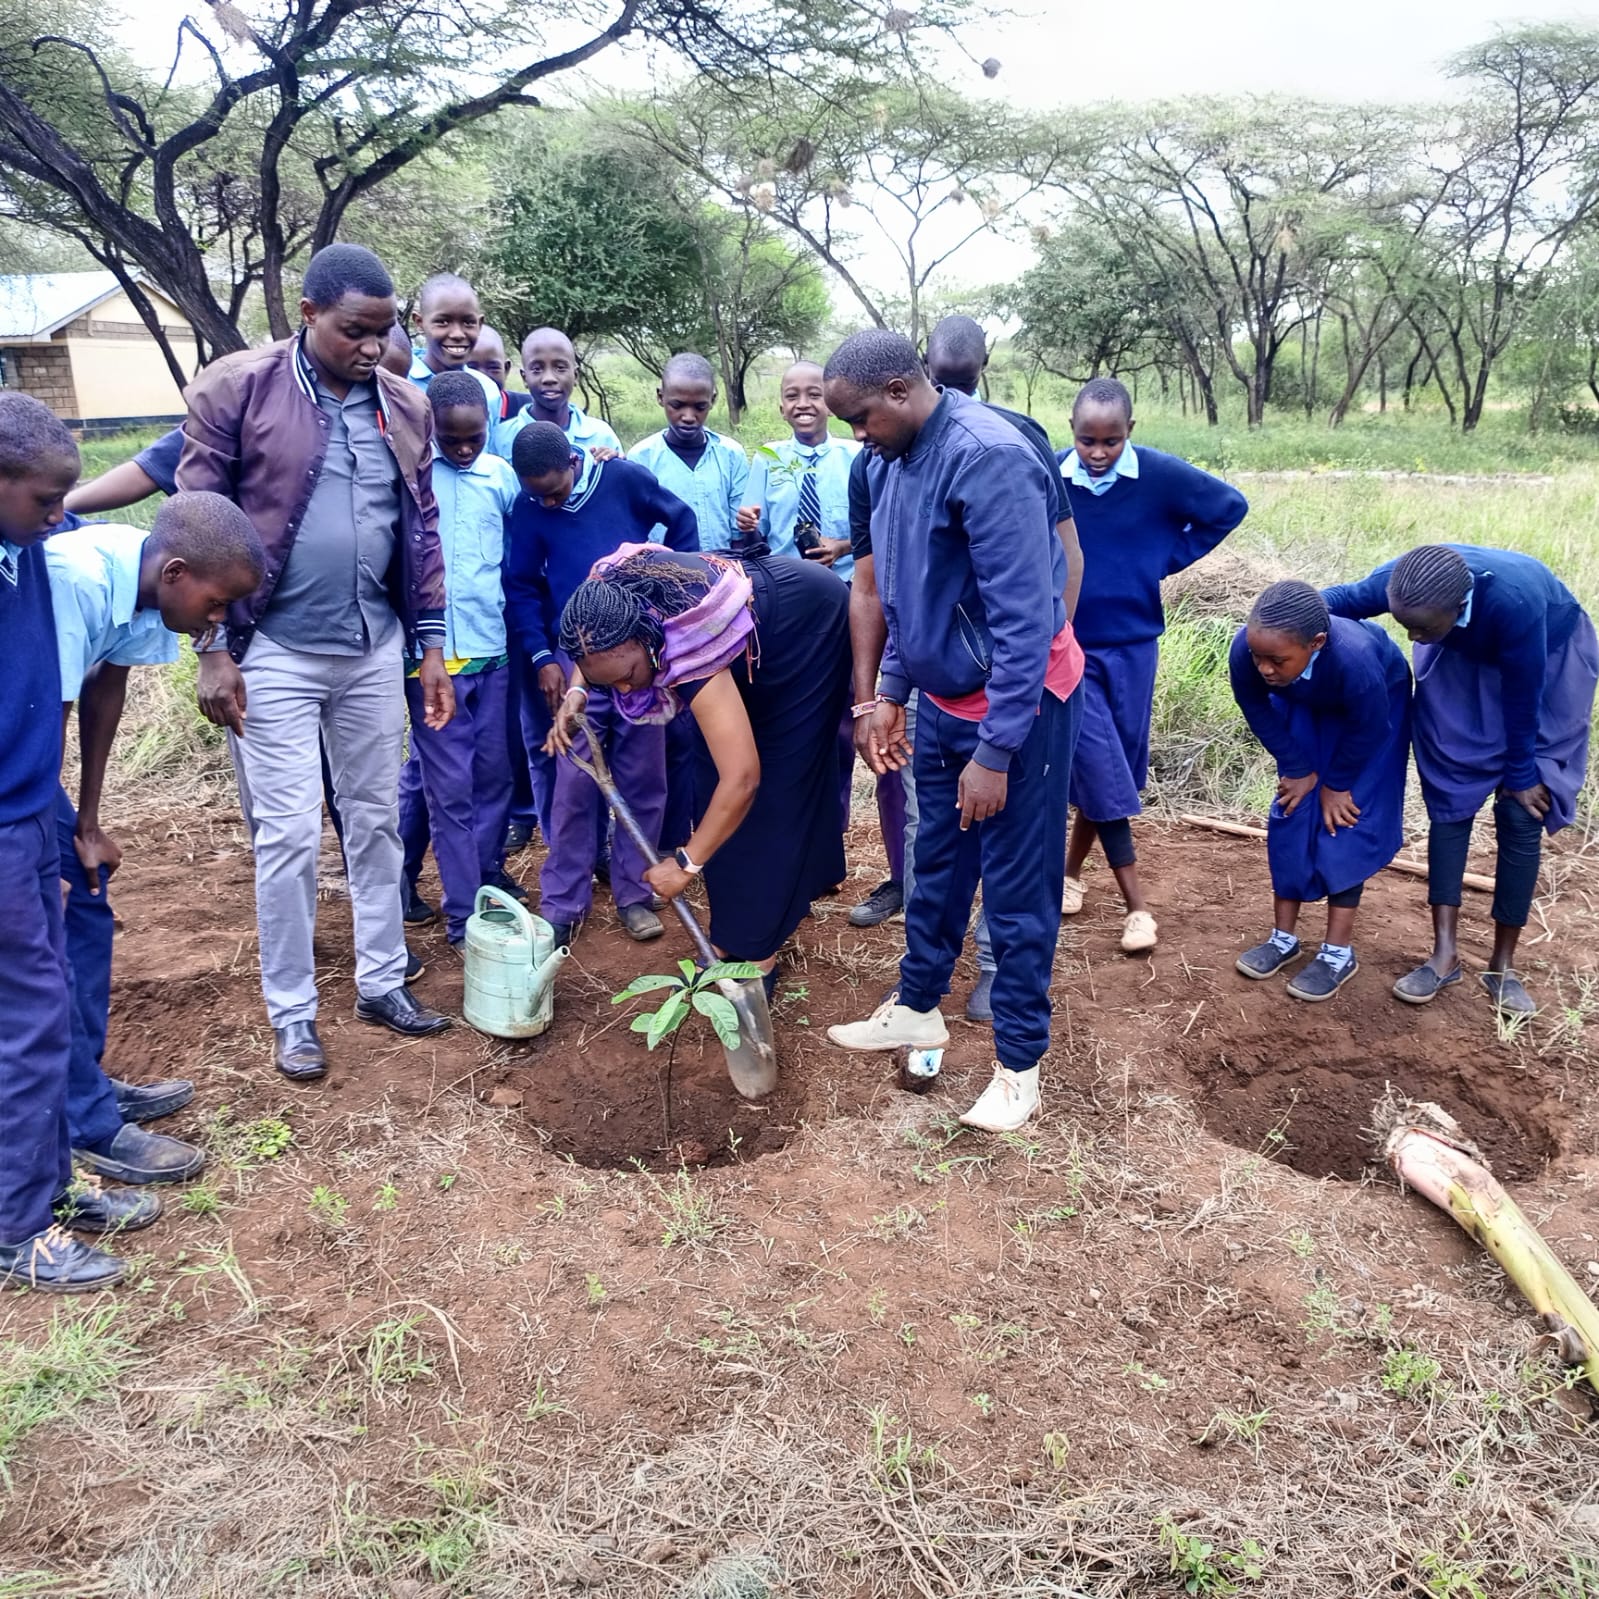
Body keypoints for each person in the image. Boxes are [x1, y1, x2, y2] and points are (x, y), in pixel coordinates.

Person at [178, 241, 453, 1083]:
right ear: (307, 315)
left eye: (384, 331)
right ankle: (293, 1012)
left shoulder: (406, 405)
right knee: (291, 833)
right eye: (353, 331)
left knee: (373, 819)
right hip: (273, 652)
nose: (371, 347)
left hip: (372, 646)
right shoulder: (238, 389)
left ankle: (382, 981)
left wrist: (430, 646)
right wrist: (212, 649)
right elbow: (193, 520)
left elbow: (423, 528)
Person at [822, 330, 1083, 1134]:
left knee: (1016, 888)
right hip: (940, 700)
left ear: (901, 390)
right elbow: (907, 596)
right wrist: (892, 689)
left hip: (1018, 707)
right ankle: (916, 1004)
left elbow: (1024, 621)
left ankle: (1018, 1067)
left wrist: (996, 751)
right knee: (933, 862)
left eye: (861, 418)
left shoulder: (987, 457)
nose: (856, 436)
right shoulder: (889, 461)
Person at [50, 496, 263, 1182]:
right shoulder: (78, 580)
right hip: (14, 759)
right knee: (41, 934)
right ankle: (82, 1120)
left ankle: (83, 1078)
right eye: (216, 602)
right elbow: (48, 712)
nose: (217, 619)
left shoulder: (142, 584)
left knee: (88, 892)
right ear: (175, 573)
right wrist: (37, 841)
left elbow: (102, 690)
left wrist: (87, 824)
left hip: (23, 760)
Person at [0, 392, 156, 1291]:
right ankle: (19, 1225)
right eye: (46, 497)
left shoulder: (22, 551)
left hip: (27, 811)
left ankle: (51, 1179)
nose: (62, 514)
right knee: (27, 1021)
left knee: (46, 1000)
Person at [548, 542, 851, 988]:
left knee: (775, 786)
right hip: (740, 634)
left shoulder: (688, 643)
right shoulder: (602, 608)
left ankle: (758, 954)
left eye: (628, 677)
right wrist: (579, 691)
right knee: (710, 789)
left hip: (804, 625)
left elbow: (743, 780)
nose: (625, 692)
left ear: (648, 639)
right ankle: (732, 935)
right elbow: (593, 654)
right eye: (607, 684)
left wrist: (685, 864)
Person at [1325, 544, 1598, 1017]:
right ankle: (1444, 955)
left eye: (1422, 628)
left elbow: (1524, 694)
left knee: (1521, 810)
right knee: (1450, 801)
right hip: (1460, 664)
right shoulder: (1400, 583)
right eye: (1404, 625)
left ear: (1460, 604)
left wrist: (1521, 773)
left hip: (1545, 666)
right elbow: (1336, 602)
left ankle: (1502, 967)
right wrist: (1286, 623)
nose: (1413, 636)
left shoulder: (1513, 600)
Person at [1058, 377, 1248, 954]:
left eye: (1111, 441)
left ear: (1130, 432)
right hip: (1071, 647)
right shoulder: (1051, 475)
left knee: (1112, 769)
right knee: (1101, 765)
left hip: (1135, 647)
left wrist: (1163, 558)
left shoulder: (1158, 475)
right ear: (1071, 431)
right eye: (1087, 440)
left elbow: (1229, 507)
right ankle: (1137, 907)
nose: (1097, 453)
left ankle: (1069, 875)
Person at [504, 422, 700, 946]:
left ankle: (634, 894)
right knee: (573, 783)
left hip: (640, 657)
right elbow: (520, 585)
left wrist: (671, 595)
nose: (547, 503)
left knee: (643, 777)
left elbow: (682, 518)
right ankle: (564, 902)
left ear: (573, 462)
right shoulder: (530, 506)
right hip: (577, 658)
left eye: (554, 491)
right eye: (537, 495)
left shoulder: (623, 479)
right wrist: (542, 655)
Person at [736, 361, 911, 929]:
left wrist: (842, 546)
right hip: (790, 618)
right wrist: (748, 525)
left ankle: (896, 870)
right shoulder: (765, 459)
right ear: (780, 405)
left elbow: (877, 533)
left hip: (852, 607)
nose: (804, 403)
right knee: (801, 737)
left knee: (857, 734)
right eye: (793, 395)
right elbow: (751, 538)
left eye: (814, 393)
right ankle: (815, 859)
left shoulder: (857, 457)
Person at [1228, 580, 1411, 1001]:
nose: (1263, 668)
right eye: (1258, 657)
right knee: (1293, 808)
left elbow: (1371, 727)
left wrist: (1338, 784)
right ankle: (1283, 939)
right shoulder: (1251, 651)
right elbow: (1255, 706)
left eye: (1275, 660)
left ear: (1317, 643)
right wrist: (1297, 767)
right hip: (1302, 695)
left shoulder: (1356, 658)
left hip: (1373, 710)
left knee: (1343, 821)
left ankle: (1337, 953)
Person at [395, 372, 521, 944]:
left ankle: (487, 880)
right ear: (431, 430)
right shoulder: (412, 478)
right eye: (452, 439)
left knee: (494, 777)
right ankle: (463, 915)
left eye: (475, 438)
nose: (464, 449)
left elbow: (515, 555)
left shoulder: (500, 477)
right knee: (449, 789)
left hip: (492, 653)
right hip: (431, 662)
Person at [494, 326, 623, 858]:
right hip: (530, 609)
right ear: (521, 373)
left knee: (595, 726)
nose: (550, 377)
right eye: (538, 367)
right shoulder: (503, 437)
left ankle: (601, 843)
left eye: (561, 366)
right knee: (542, 730)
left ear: (576, 371)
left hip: (592, 616)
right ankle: (560, 842)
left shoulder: (601, 436)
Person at [630, 353, 750, 852]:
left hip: (722, 596)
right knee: (675, 723)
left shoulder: (731, 455)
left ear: (713, 402)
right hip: (664, 599)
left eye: (699, 407)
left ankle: (720, 830)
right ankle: (674, 833)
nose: (687, 416)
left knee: (724, 714)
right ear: (660, 398)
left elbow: (744, 529)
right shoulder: (642, 459)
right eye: (677, 405)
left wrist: (749, 525)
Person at [407, 273, 500, 413]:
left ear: (479, 324)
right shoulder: (400, 383)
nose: (458, 334)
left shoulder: (488, 391)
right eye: (443, 322)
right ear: (419, 322)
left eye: (468, 322)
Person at [467, 325, 530, 422]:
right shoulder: (446, 414)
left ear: (506, 369)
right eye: (472, 369)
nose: (483, 378)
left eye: (493, 368)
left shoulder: (529, 411)